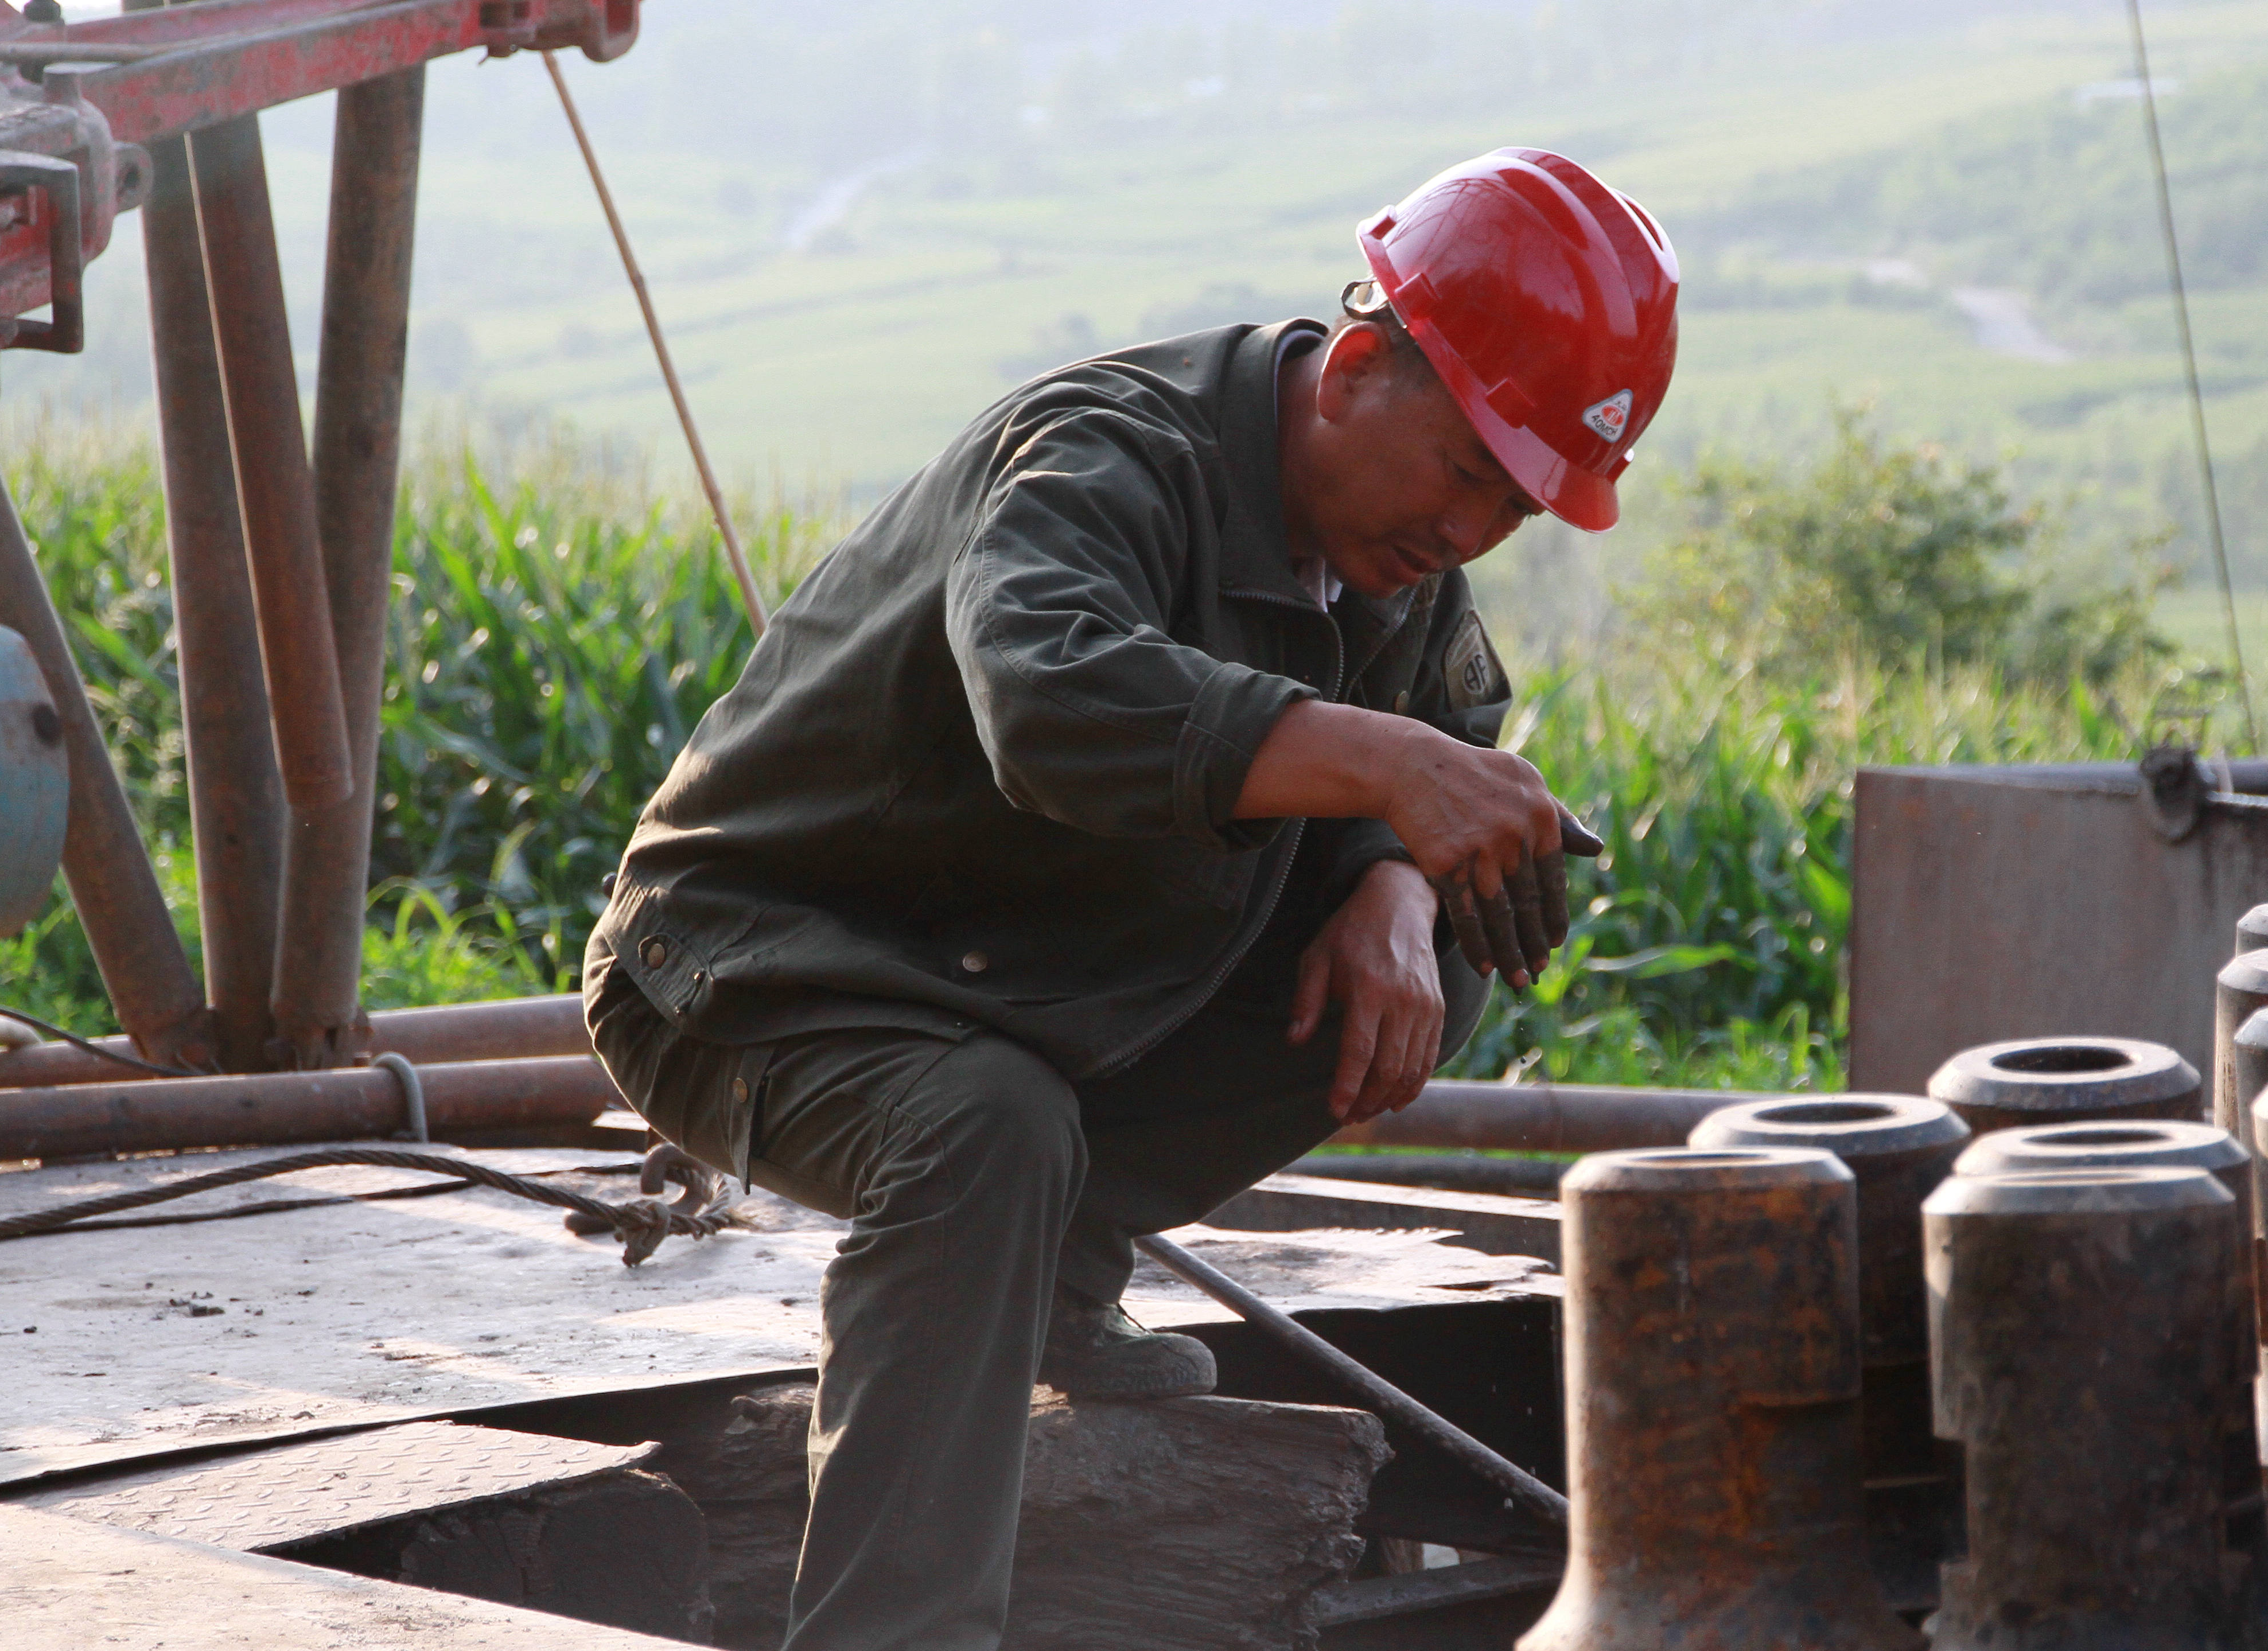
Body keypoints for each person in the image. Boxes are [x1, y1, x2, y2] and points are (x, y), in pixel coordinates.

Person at [585, 146, 1679, 1650]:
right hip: (744, 960)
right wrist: (1391, 769)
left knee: (1441, 951)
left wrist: (1388, 884)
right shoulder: (1103, 454)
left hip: (992, 968)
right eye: (1466, 473)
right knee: (984, 1127)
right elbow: (1048, 700)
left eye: (1515, 509)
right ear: (1357, 368)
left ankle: (1056, 1276)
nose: (1471, 532)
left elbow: (1441, 742)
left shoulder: (1394, 562)